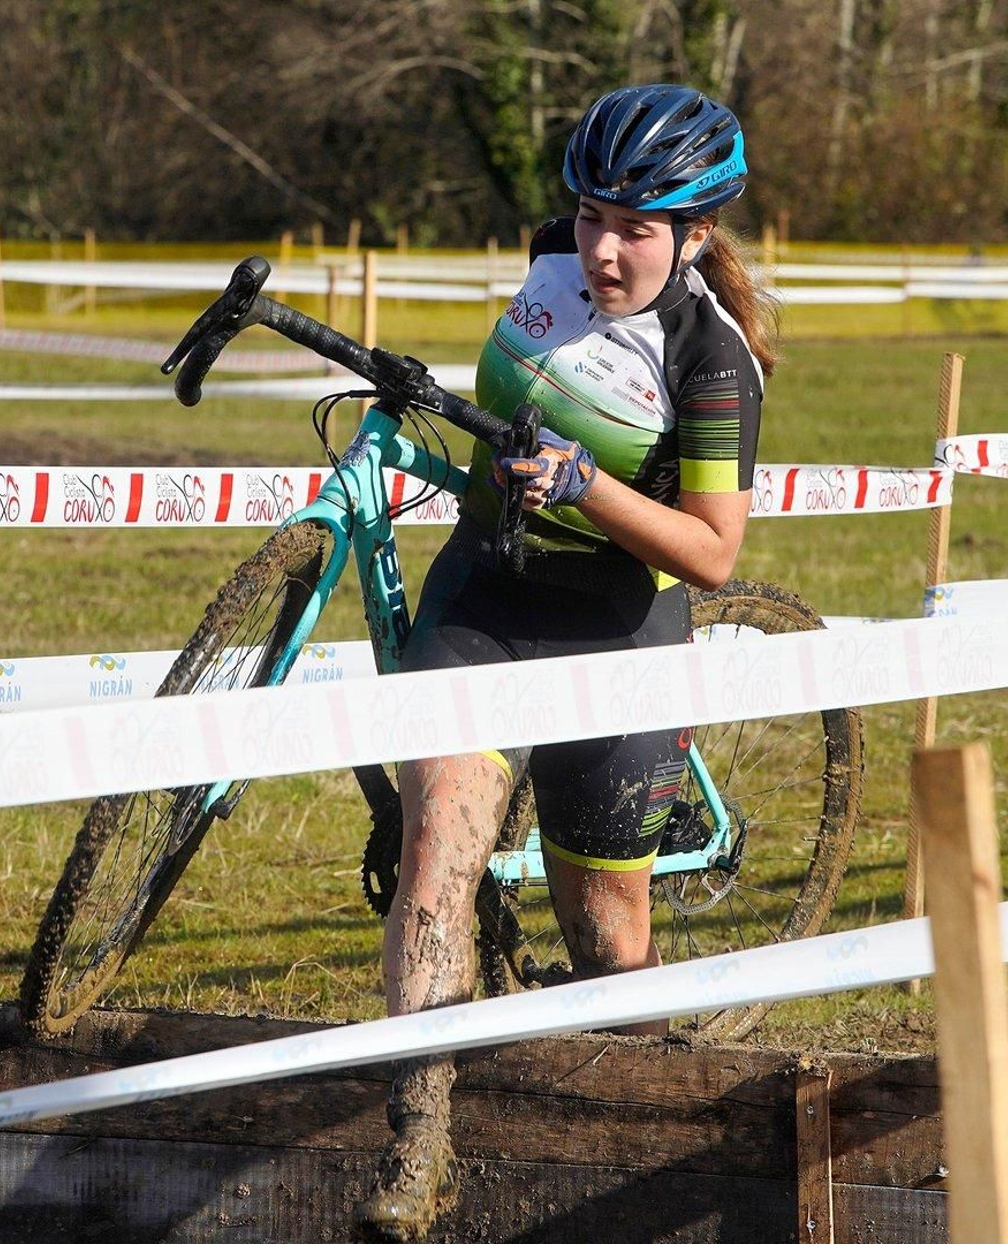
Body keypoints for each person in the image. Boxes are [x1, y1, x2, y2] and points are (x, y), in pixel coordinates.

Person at [353, 83, 776, 1241]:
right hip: (486, 597)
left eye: (634, 229)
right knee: (435, 851)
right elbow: (527, 385)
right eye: (590, 216)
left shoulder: (712, 360)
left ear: (693, 236)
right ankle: (419, 1135)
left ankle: (631, 1153)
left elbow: (712, 552)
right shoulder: (551, 259)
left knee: (606, 932)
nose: (600, 246)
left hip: (616, 629)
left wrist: (591, 487)